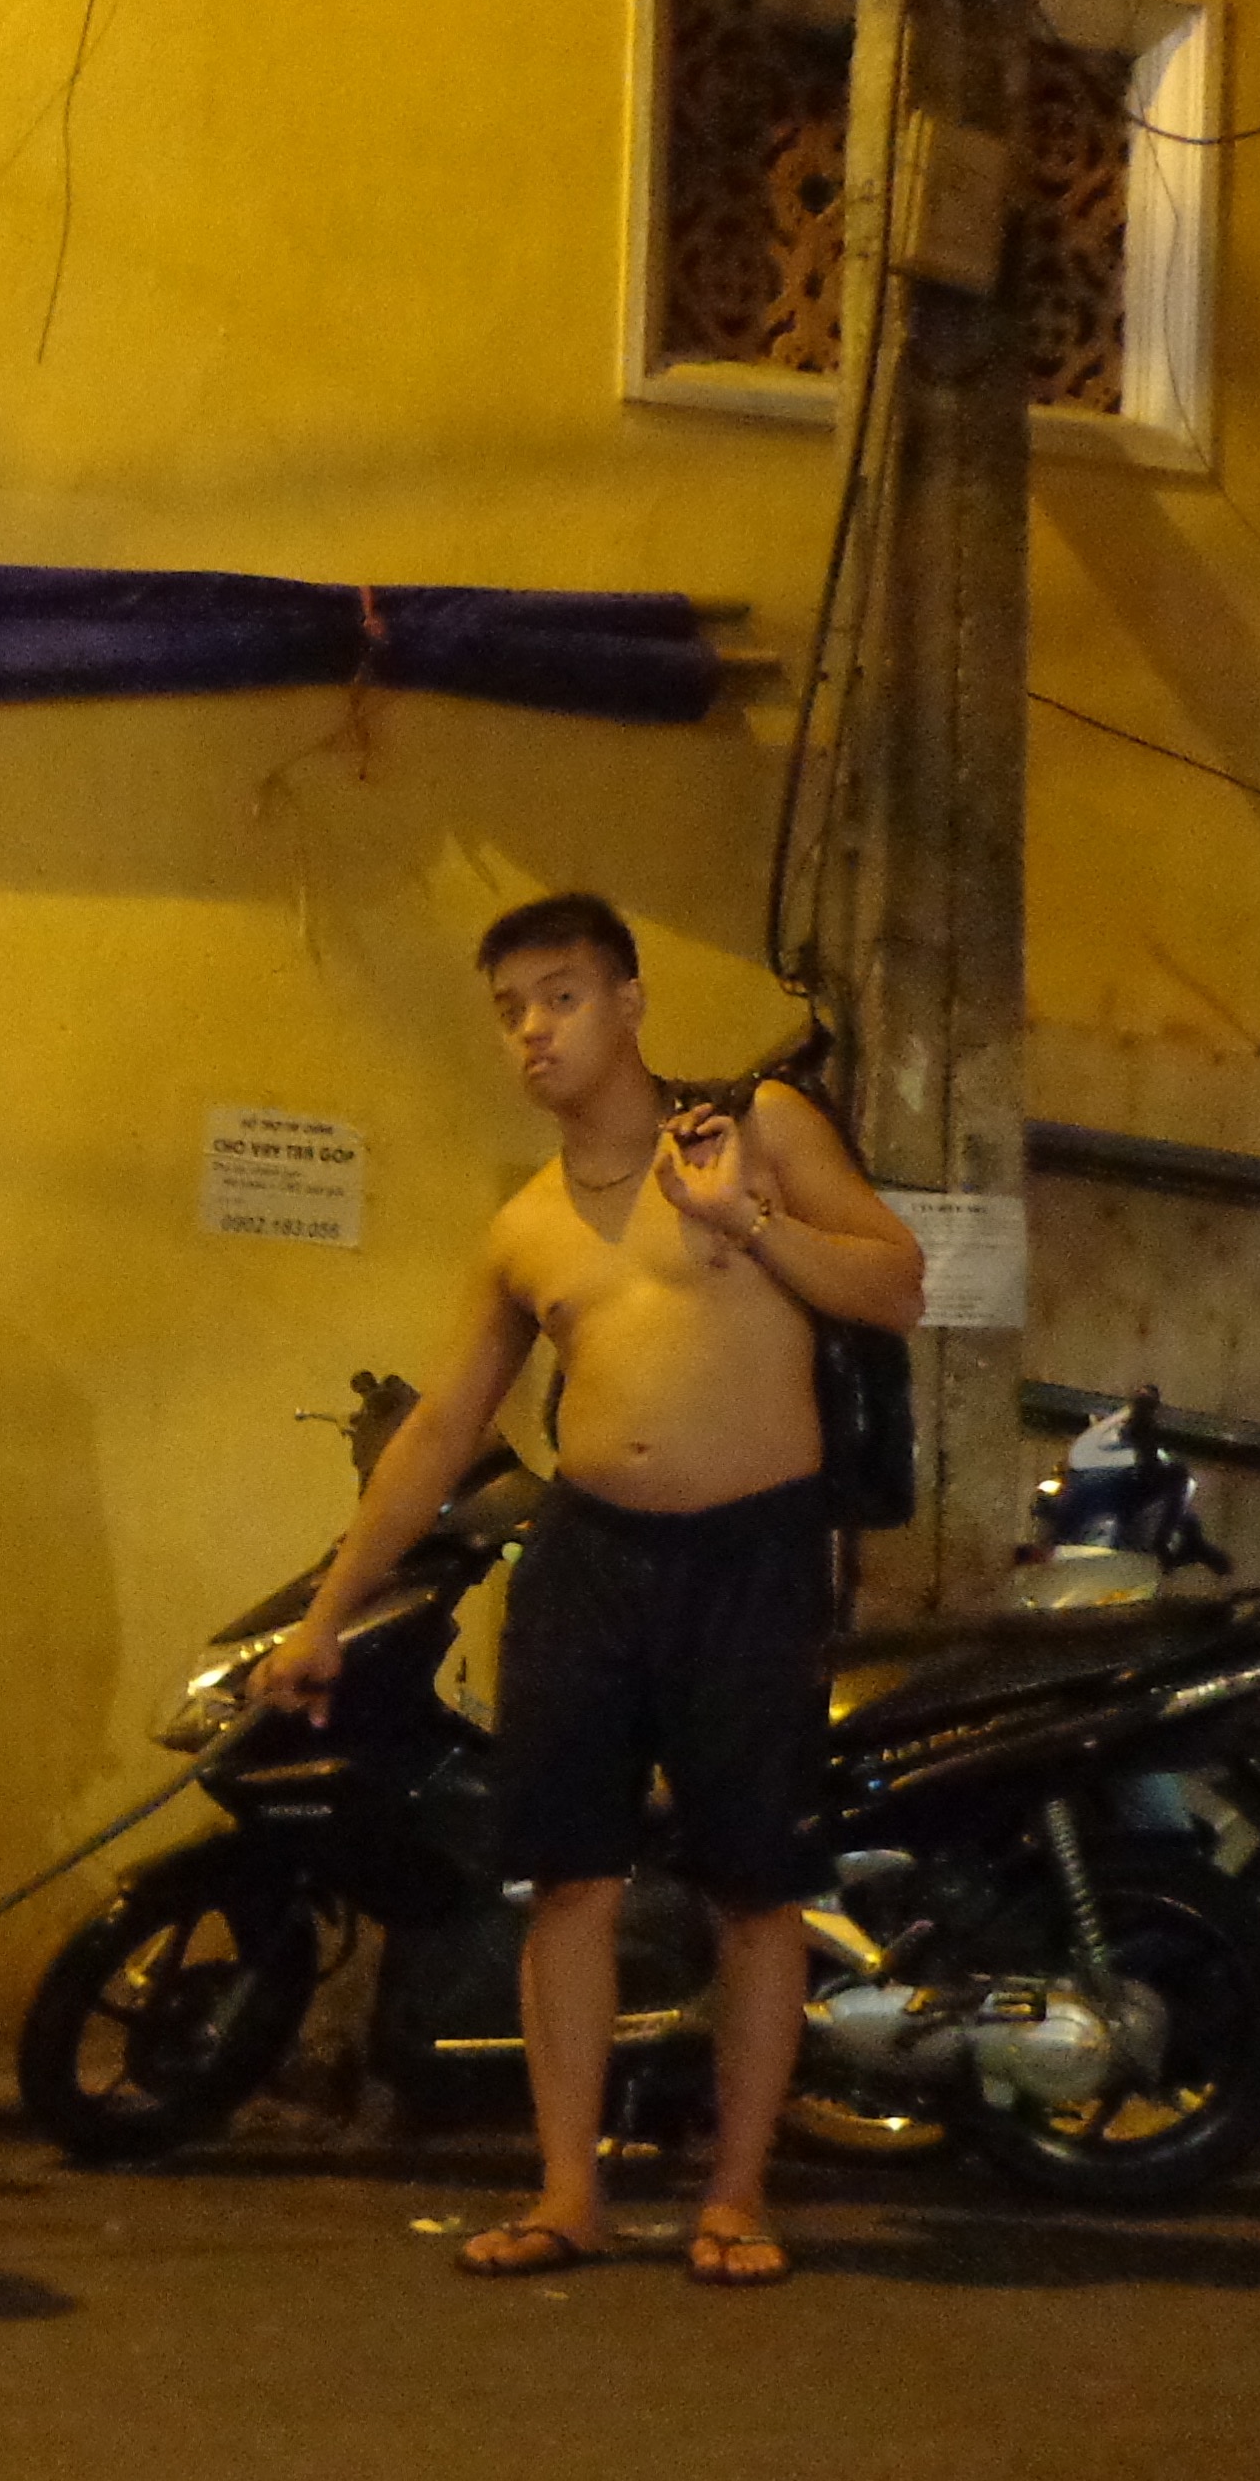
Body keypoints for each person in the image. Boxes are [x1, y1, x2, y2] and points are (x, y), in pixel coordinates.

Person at [249, 894, 924, 2288]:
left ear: (630, 1002)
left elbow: (897, 1285)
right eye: (511, 1010)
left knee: (755, 1889)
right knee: (567, 1882)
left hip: (755, 1557)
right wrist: (325, 1620)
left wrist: (748, 1224)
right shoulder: (525, 1227)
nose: (534, 1031)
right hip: (588, 1561)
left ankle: (736, 2197)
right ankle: (568, 2194)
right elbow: (441, 1430)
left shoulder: (758, 1128)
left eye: (561, 996)